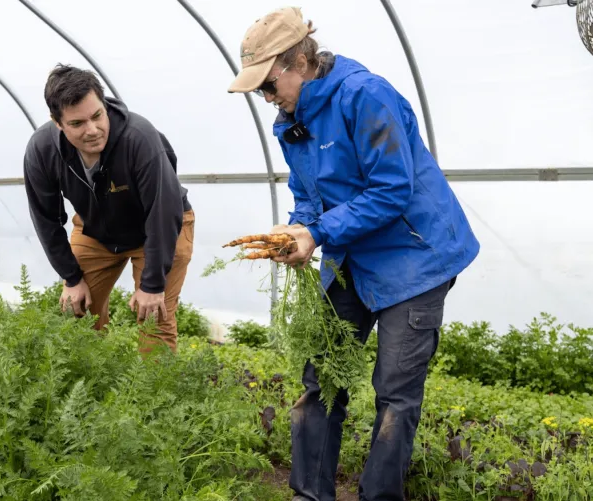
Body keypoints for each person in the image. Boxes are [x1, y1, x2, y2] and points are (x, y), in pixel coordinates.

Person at [228, 7, 480, 501]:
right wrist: (299, 227)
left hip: (415, 257)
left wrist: (317, 233)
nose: (266, 97)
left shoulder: (366, 96)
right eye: (259, 89)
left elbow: (391, 191)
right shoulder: (291, 119)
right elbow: (306, 190)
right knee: (319, 379)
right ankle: (309, 494)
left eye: (268, 84)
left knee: (395, 394)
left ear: (298, 61)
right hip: (351, 257)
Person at [24, 64, 195, 354]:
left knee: (155, 319)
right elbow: (47, 219)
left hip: (160, 227)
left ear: (104, 105)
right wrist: (72, 278)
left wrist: (152, 285)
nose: (92, 131)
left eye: (97, 116)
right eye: (77, 124)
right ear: (58, 123)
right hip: (97, 231)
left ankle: (158, 396)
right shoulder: (43, 150)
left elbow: (162, 211)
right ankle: (89, 390)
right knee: (76, 313)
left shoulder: (138, 138)